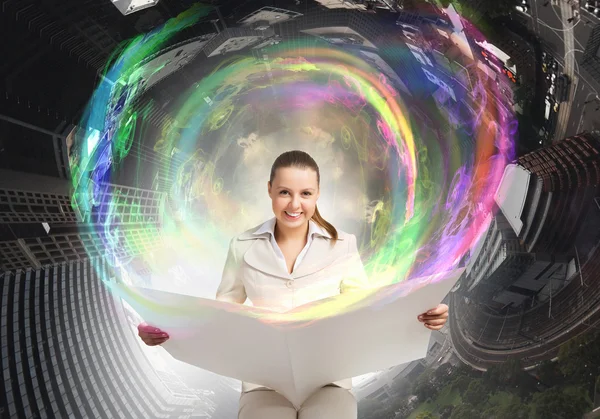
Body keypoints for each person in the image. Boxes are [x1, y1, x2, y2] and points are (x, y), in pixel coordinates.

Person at [138, 150, 449, 419]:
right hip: (263, 381)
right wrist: (171, 332)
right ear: (270, 190)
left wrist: (422, 314)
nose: (294, 204)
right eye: (285, 192)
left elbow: (366, 309)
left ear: (317, 194)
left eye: (306, 193)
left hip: (330, 379)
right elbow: (221, 316)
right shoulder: (242, 245)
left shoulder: (342, 245)